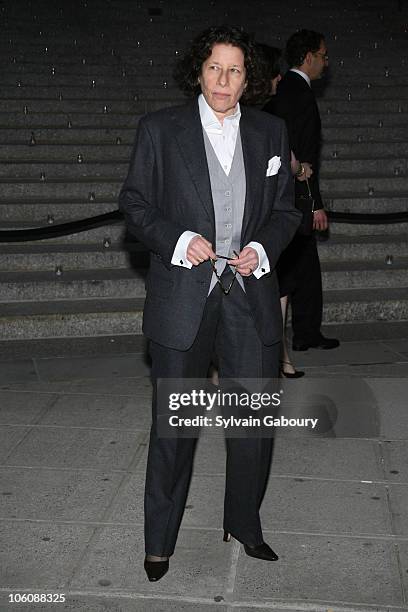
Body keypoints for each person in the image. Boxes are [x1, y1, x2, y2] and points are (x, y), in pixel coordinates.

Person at [119, 25, 301, 582]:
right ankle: (159, 541)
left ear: (250, 79)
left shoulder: (272, 132)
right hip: (184, 299)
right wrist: (177, 240)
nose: (223, 80)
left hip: (250, 297)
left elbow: (287, 210)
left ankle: (244, 524)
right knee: (174, 428)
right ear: (199, 71)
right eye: (214, 68)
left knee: (253, 426)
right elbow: (135, 201)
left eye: (235, 70)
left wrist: (261, 247)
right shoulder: (160, 129)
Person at [264, 30, 340, 352]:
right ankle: (304, 334)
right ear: (307, 57)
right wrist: (314, 205)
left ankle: (306, 332)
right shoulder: (301, 94)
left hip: (282, 195)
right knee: (298, 267)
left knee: (302, 267)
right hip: (296, 198)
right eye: (322, 55)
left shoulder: (282, 92)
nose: (326, 61)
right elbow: (304, 156)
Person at [256, 44, 312, 376]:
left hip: (265, 215)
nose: (279, 81)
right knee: (278, 287)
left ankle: (281, 357)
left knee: (278, 287)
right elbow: (284, 162)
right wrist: (301, 170)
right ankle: (281, 359)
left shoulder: (256, 110)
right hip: (269, 216)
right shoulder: (268, 114)